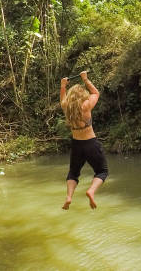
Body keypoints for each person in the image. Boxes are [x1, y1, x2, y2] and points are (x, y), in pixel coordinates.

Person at [60, 71, 108, 210]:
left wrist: (63, 86)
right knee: (102, 172)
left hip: (76, 145)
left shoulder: (66, 107)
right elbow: (96, 93)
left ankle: (69, 197)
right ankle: (91, 191)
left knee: (73, 173)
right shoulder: (86, 105)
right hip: (90, 143)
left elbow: (63, 98)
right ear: (82, 95)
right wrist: (85, 79)